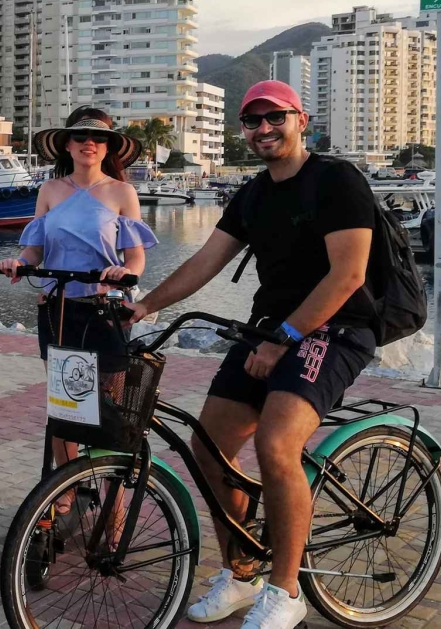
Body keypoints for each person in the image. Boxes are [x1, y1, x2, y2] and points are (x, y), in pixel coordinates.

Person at [130, 81, 377, 629]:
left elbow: (349, 274)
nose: (264, 128)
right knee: (208, 444)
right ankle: (242, 574)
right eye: (252, 120)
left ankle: (286, 591)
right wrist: (143, 306)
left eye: (275, 118)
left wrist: (284, 337)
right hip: (270, 329)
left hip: (338, 327)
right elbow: (205, 263)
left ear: (301, 120)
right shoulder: (254, 193)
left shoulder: (336, 181)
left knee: (275, 443)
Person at [0, 106, 154, 528]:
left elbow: (135, 255)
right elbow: (35, 249)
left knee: (112, 411)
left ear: (108, 147)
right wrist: (19, 262)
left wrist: (125, 272)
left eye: (98, 139)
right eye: (80, 137)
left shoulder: (122, 193)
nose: (89, 144)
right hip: (59, 310)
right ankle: (63, 492)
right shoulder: (50, 190)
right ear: (66, 144)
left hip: (105, 311)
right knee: (65, 408)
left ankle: (114, 506)